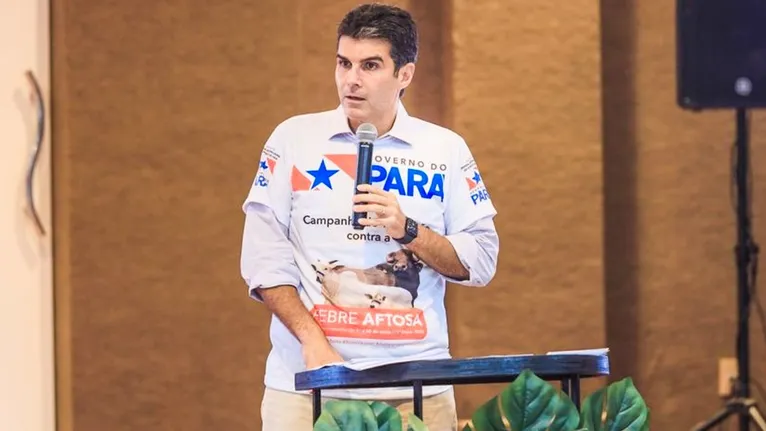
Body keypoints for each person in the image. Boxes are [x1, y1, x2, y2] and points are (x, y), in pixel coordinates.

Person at [239, 3, 499, 430]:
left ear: (405, 75)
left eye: (370, 65)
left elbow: (482, 261)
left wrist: (408, 229)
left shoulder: (445, 150)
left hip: (417, 388)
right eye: (344, 63)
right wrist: (312, 340)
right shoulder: (293, 140)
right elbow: (263, 260)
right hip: (308, 388)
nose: (351, 80)